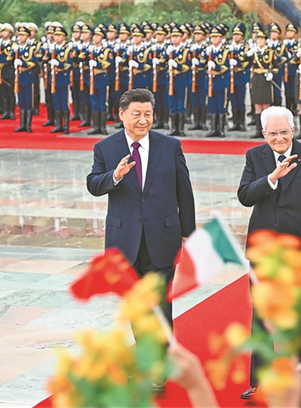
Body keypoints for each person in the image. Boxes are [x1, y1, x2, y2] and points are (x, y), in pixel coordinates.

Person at [86, 89, 196, 392]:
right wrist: (115, 176)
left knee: (159, 305)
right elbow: (93, 184)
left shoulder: (170, 146)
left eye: (148, 114)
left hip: (163, 237)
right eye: (136, 114)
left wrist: (188, 232)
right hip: (126, 241)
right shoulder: (105, 147)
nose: (143, 120)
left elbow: (184, 192)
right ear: (121, 114)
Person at [237, 106, 301, 400]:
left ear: (294, 129)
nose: (279, 138)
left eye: (284, 132)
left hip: (298, 249)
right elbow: (244, 195)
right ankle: (260, 381)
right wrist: (271, 178)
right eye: (273, 133)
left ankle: (300, 376)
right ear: (264, 133)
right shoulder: (255, 156)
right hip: (263, 250)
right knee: (262, 315)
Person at [10, 25, 38, 133]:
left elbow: (34, 63)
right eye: (19, 35)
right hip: (19, 77)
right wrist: (13, 53)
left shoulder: (31, 49)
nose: (20, 37)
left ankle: (28, 125)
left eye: (22, 35)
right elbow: (8, 60)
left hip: (28, 76)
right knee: (21, 101)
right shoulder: (16, 48)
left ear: (27, 36)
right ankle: (22, 124)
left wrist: (23, 63)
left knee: (28, 100)